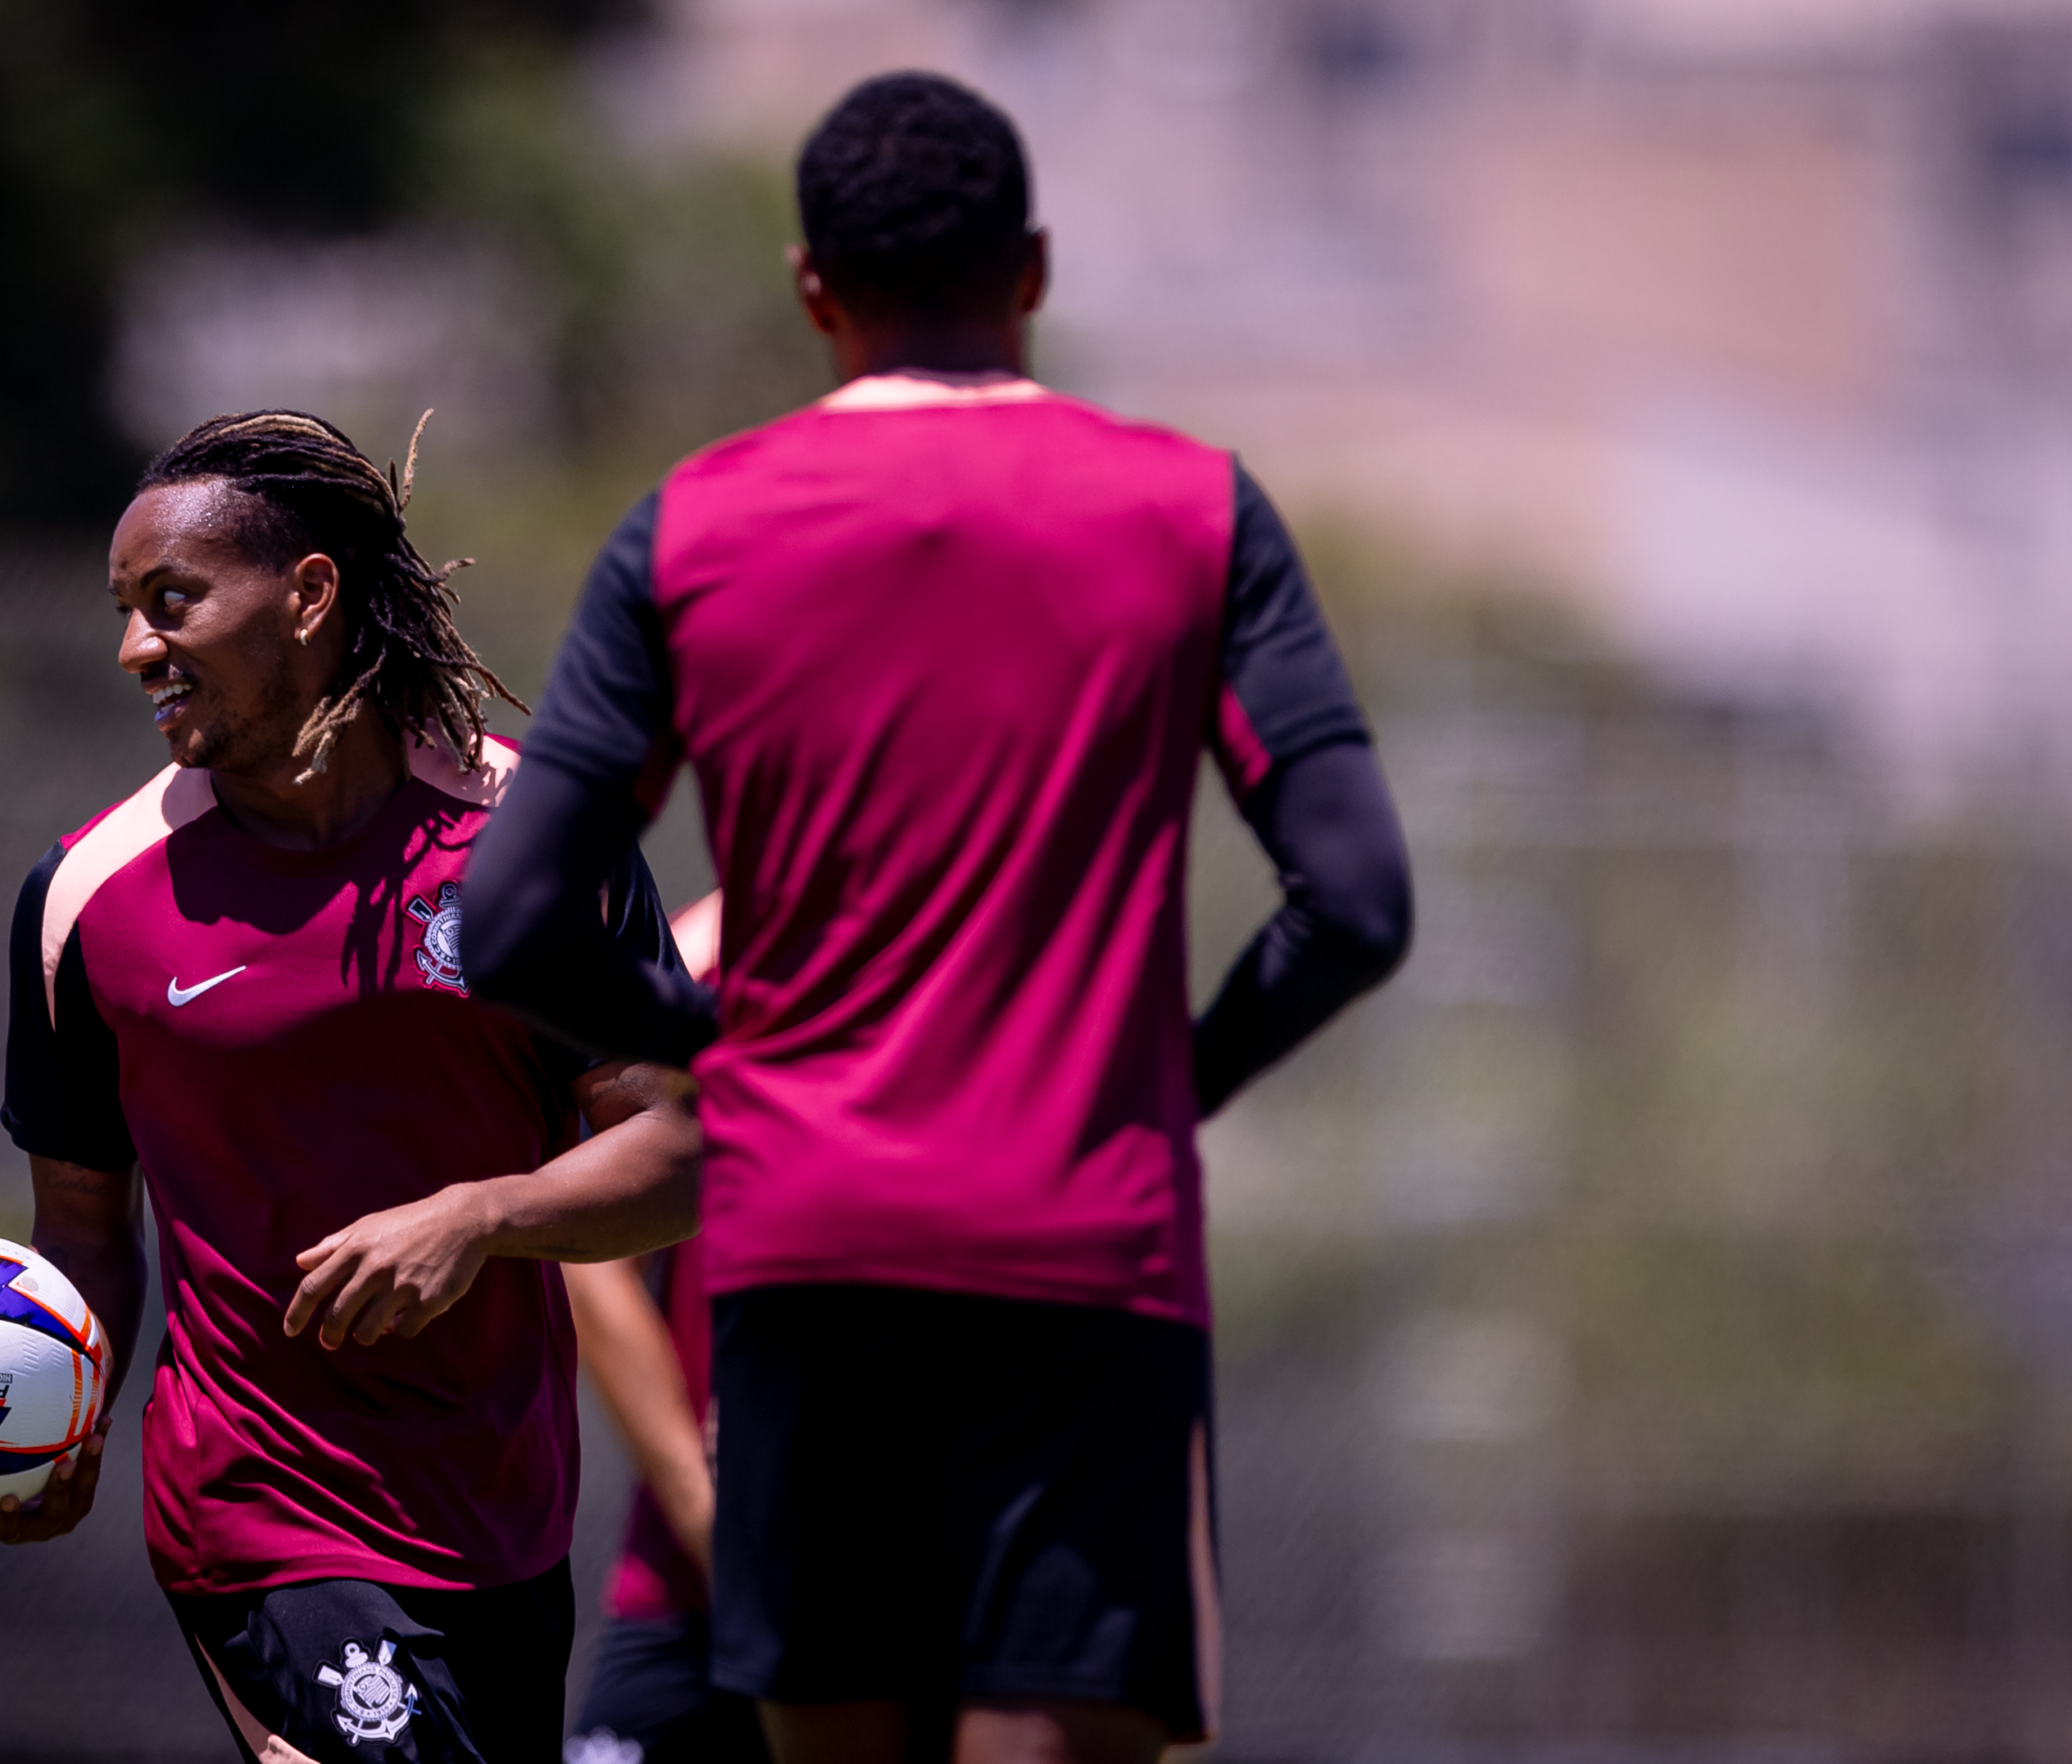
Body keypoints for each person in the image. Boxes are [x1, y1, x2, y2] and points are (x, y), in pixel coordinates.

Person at [464, 72, 1413, 1764]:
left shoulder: (692, 527)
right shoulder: (1194, 511)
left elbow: (520, 919)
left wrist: (727, 1056)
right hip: (1083, 1258)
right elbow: (1353, 903)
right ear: (1033, 267)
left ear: (811, 283)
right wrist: (1166, 1084)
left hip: (805, 1252)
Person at [0, 409, 702, 1764]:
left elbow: (680, 1154)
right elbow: (86, 1232)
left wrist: (483, 1213)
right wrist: (57, 1403)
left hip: (501, 1518)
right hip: (254, 1512)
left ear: (310, 594)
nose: (134, 649)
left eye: (171, 601)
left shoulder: (534, 849)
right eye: (123, 610)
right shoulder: (84, 902)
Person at [562, 892, 772, 1764]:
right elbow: (590, 1254)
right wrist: (707, 1516)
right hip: (694, 1586)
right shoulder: (712, 960)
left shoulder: (1009, 969)